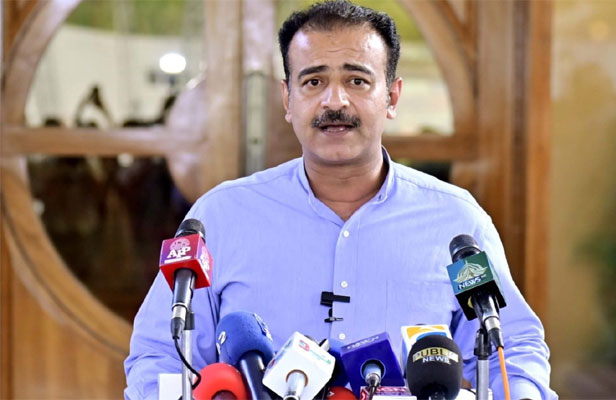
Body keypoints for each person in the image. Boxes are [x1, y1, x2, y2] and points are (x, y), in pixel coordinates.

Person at [124, 1, 557, 399]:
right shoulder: (221, 218)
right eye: (314, 81)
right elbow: (159, 354)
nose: (335, 101)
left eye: (357, 80)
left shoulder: (455, 223)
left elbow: (512, 348)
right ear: (288, 99)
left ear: (391, 97)